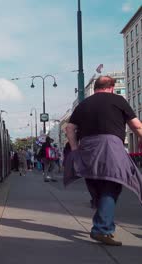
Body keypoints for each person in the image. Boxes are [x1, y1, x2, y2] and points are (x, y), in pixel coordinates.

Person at [65, 76, 142, 246]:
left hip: (87, 148)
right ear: (112, 87)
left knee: (97, 185)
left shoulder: (83, 104)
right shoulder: (118, 100)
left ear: (96, 87)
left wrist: (75, 148)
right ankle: (101, 229)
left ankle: (105, 224)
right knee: (112, 185)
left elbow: (69, 128)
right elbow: (137, 126)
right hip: (109, 147)